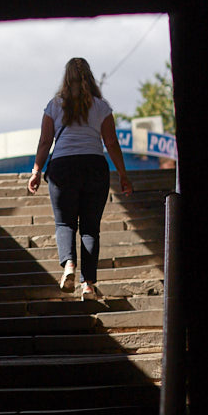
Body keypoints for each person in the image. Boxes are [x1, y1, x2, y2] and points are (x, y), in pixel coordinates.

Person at [27, 57, 134, 300]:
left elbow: (45, 142)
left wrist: (35, 171)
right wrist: (123, 174)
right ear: (89, 77)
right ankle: (88, 285)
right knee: (90, 229)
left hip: (63, 167)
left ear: (66, 78)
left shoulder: (54, 105)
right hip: (94, 166)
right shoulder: (101, 106)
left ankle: (69, 267)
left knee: (65, 223)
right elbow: (111, 142)